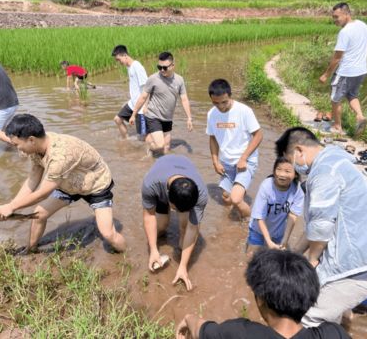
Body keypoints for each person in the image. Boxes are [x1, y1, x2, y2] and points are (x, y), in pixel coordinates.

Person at [275, 127, 367, 327]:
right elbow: (314, 227)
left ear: (299, 151)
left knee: (307, 317)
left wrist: (311, 259)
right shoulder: (336, 159)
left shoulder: (324, 172)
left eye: (290, 159)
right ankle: (344, 326)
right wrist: (294, 254)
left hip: (355, 268)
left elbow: (320, 227)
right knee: (334, 314)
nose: (292, 166)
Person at [0, 114, 126, 253]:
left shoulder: (60, 156)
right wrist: (11, 205)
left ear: (31, 139)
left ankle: (126, 257)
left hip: (96, 184)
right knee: (39, 214)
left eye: (16, 145)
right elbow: (32, 179)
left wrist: (12, 207)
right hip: (68, 181)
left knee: (108, 234)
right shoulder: (37, 146)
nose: (17, 149)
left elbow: (42, 194)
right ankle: (30, 249)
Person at [176, 249, 351, 339]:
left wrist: (187, 319)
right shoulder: (334, 334)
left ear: (260, 299)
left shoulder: (240, 333)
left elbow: (203, 329)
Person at [141, 154, 207, 291]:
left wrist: (183, 266)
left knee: (184, 233)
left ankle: (181, 257)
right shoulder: (151, 184)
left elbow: (193, 228)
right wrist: (153, 250)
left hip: (183, 182)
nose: (177, 211)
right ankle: (158, 241)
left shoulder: (201, 194)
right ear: (169, 200)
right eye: (175, 208)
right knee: (161, 226)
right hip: (163, 174)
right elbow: (149, 216)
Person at [206, 79, 263, 218]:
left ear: (230, 95)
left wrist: (244, 158)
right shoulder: (211, 114)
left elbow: (258, 135)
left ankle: (251, 225)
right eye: (216, 103)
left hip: (245, 161)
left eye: (224, 102)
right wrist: (215, 162)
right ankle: (233, 227)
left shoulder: (244, 111)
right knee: (226, 197)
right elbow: (212, 138)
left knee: (236, 199)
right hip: (226, 162)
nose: (220, 106)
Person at [319, 2, 367, 136]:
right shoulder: (363, 25)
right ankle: (360, 116)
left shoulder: (345, 32)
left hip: (346, 71)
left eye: (337, 17)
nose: (335, 20)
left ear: (346, 14)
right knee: (352, 94)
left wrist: (326, 75)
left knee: (335, 98)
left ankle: (337, 127)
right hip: (361, 70)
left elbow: (337, 57)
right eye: (333, 17)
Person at [129, 52, 193, 156]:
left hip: (167, 117)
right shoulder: (153, 79)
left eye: (165, 67)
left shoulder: (179, 80)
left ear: (172, 66)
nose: (162, 70)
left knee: (166, 147)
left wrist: (189, 117)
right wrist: (134, 114)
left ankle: (158, 163)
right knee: (160, 145)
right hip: (153, 116)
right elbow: (143, 97)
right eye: (159, 67)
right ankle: (147, 139)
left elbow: (184, 99)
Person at [246, 156, 304, 254]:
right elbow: (259, 217)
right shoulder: (266, 186)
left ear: (295, 174)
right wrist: (268, 241)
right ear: (273, 171)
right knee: (252, 257)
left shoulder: (298, 190)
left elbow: (293, 215)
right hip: (258, 229)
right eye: (279, 169)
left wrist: (285, 240)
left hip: (279, 232)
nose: (282, 174)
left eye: (287, 171)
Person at [111, 45, 148, 140]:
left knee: (142, 138)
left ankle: (149, 152)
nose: (119, 62)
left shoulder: (137, 67)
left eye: (119, 59)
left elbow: (147, 88)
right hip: (133, 103)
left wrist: (146, 106)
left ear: (125, 55)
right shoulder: (129, 67)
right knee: (117, 119)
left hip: (141, 106)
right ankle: (126, 141)